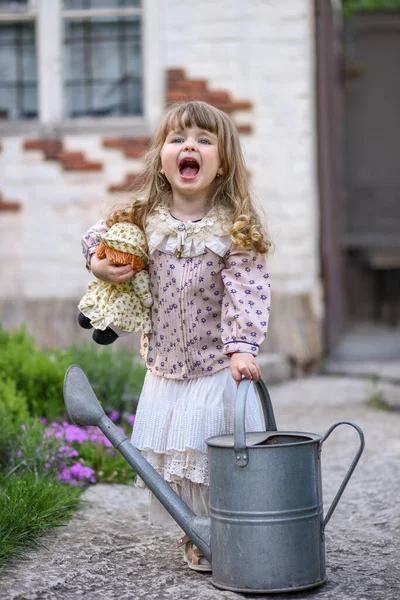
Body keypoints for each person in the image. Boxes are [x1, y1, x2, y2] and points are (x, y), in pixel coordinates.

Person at [81, 101, 271, 572]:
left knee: (211, 452)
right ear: (162, 158)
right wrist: (98, 261)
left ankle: (220, 526)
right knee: (176, 455)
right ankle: (196, 531)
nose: (191, 147)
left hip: (213, 366)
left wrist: (241, 347)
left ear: (222, 161)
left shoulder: (233, 229)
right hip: (164, 364)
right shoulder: (144, 218)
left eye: (205, 141)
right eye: (178, 139)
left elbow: (246, 293)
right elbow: (95, 239)